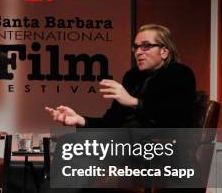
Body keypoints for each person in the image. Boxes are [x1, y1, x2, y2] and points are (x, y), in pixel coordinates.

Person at [46, 24, 196, 129]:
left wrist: (134, 102)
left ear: (164, 51)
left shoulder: (180, 74)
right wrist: (80, 120)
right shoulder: (132, 76)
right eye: (136, 47)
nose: (138, 52)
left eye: (146, 46)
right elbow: (112, 122)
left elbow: (174, 119)